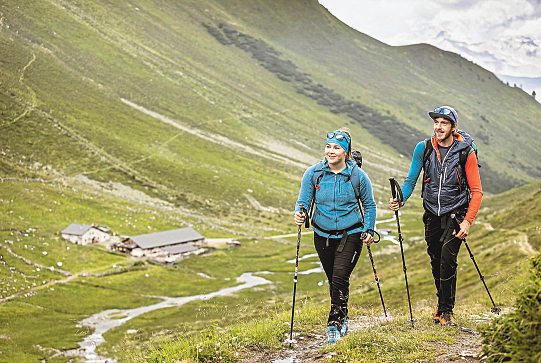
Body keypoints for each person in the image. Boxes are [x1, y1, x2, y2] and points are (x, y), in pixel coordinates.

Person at [389, 106, 483, 326]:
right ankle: (442, 304)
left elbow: (477, 191)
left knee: (448, 260)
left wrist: (468, 221)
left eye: (444, 123)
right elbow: (412, 179)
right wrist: (401, 198)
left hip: (457, 213)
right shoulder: (424, 148)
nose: (439, 127)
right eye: (436, 122)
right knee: (435, 259)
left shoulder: (465, 152)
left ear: (453, 127)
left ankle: (446, 311)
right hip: (431, 212)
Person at [294, 128, 376, 344]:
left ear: (346, 152)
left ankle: (335, 323)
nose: (331, 151)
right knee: (333, 279)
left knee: (340, 276)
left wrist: (368, 229)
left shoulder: (358, 175)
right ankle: (344, 314)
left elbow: (369, 205)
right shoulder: (313, 173)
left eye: (336, 148)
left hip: (351, 233)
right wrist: (300, 213)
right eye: (328, 146)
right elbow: (303, 201)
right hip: (322, 234)